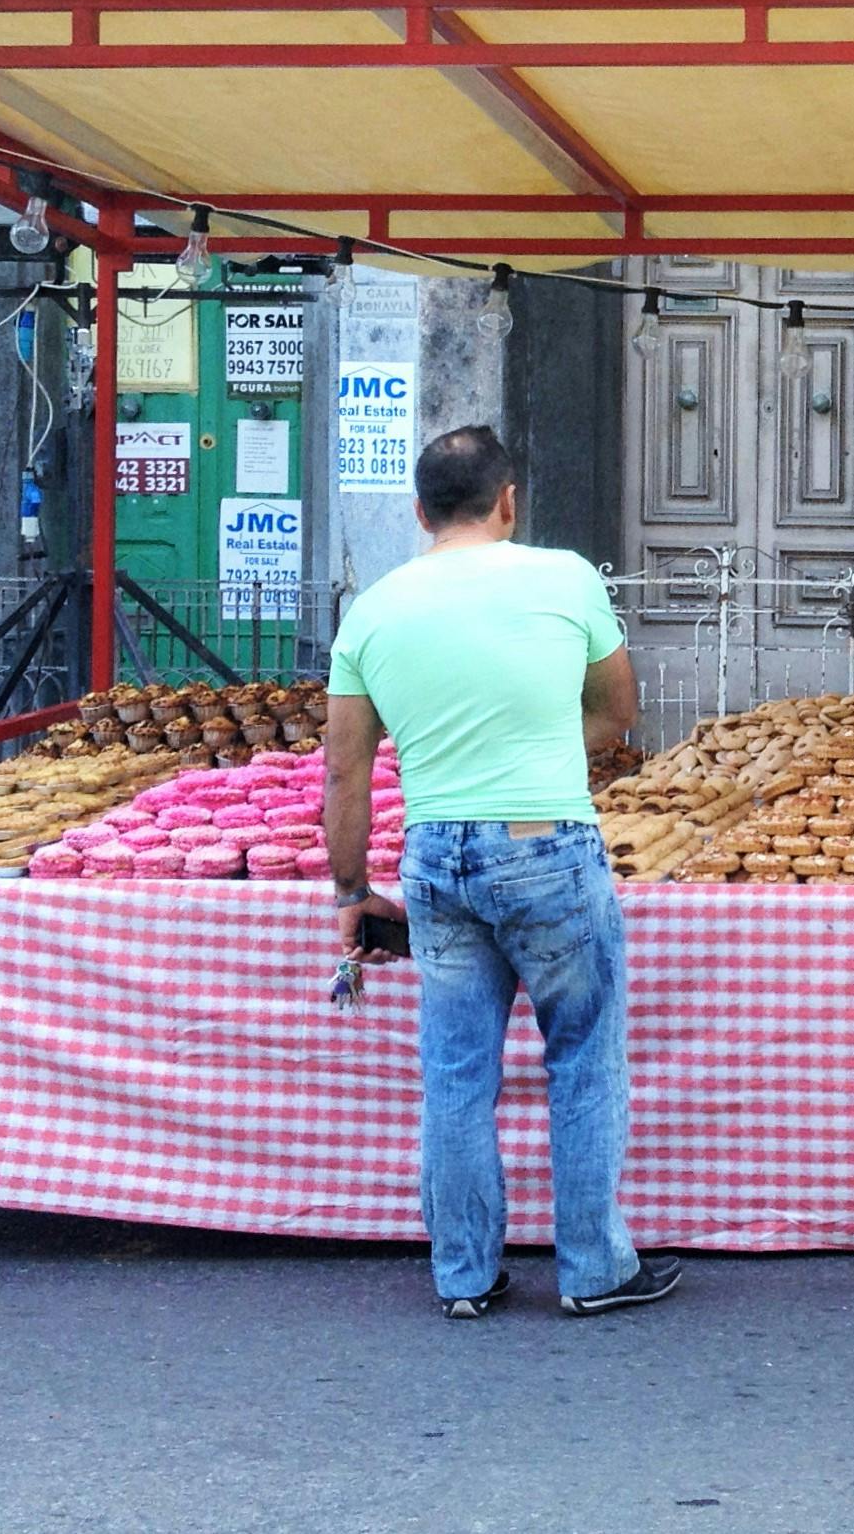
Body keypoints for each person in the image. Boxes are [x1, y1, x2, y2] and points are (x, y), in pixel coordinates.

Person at [325, 424, 681, 1321]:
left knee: (455, 1073)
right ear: (509, 501)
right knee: (583, 1061)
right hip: (547, 843)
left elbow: (345, 770)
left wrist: (349, 891)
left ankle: (465, 1275)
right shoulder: (564, 576)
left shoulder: (372, 609)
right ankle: (594, 1270)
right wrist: (541, 748)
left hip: (436, 853)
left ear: (418, 513)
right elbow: (618, 712)